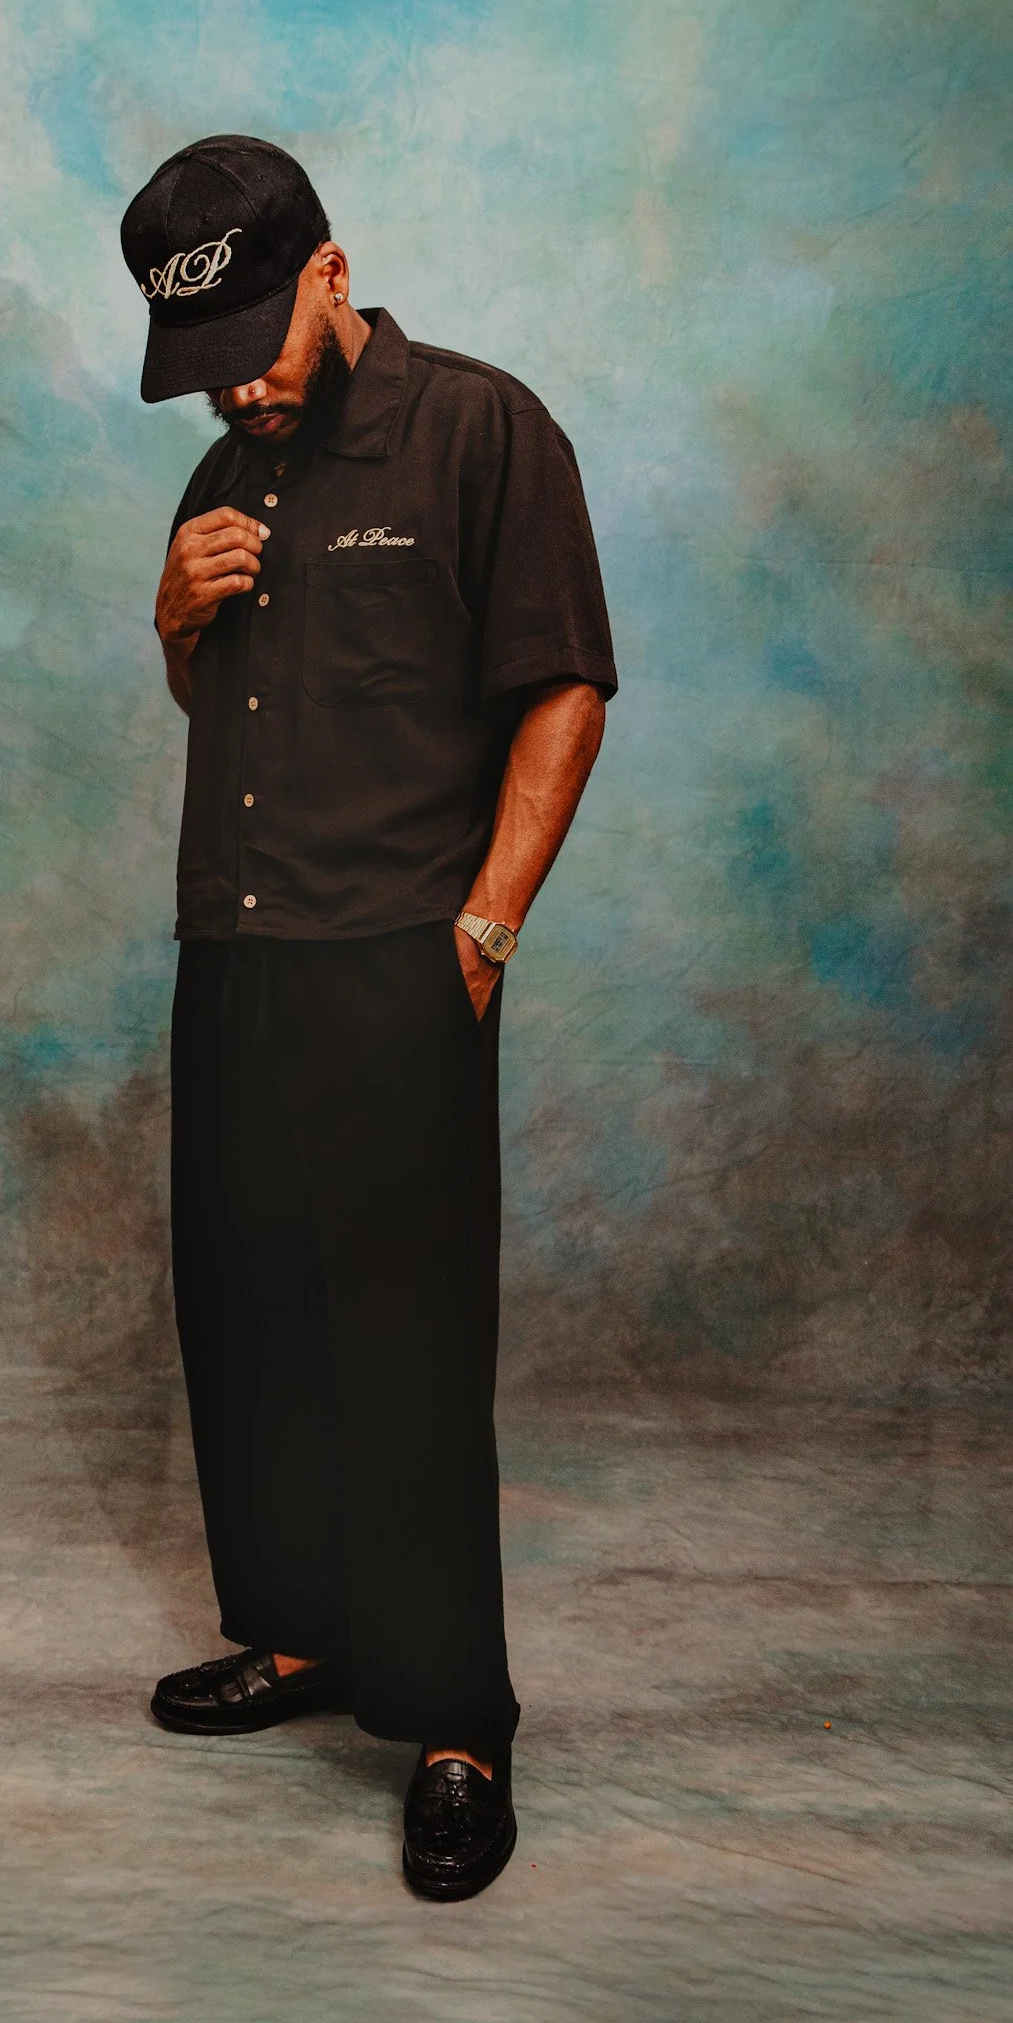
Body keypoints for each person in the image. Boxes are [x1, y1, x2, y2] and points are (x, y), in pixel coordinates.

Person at [119, 135, 616, 1902]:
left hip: (397, 961)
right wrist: (173, 621)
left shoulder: (480, 432)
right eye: (208, 356)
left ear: (331, 272)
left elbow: (565, 686)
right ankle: (306, 1637)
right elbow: (210, 695)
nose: (243, 377)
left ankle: (458, 1719)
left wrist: (480, 932)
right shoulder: (212, 477)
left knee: (403, 1342)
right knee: (247, 1315)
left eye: (260, 329)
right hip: (232, 951)